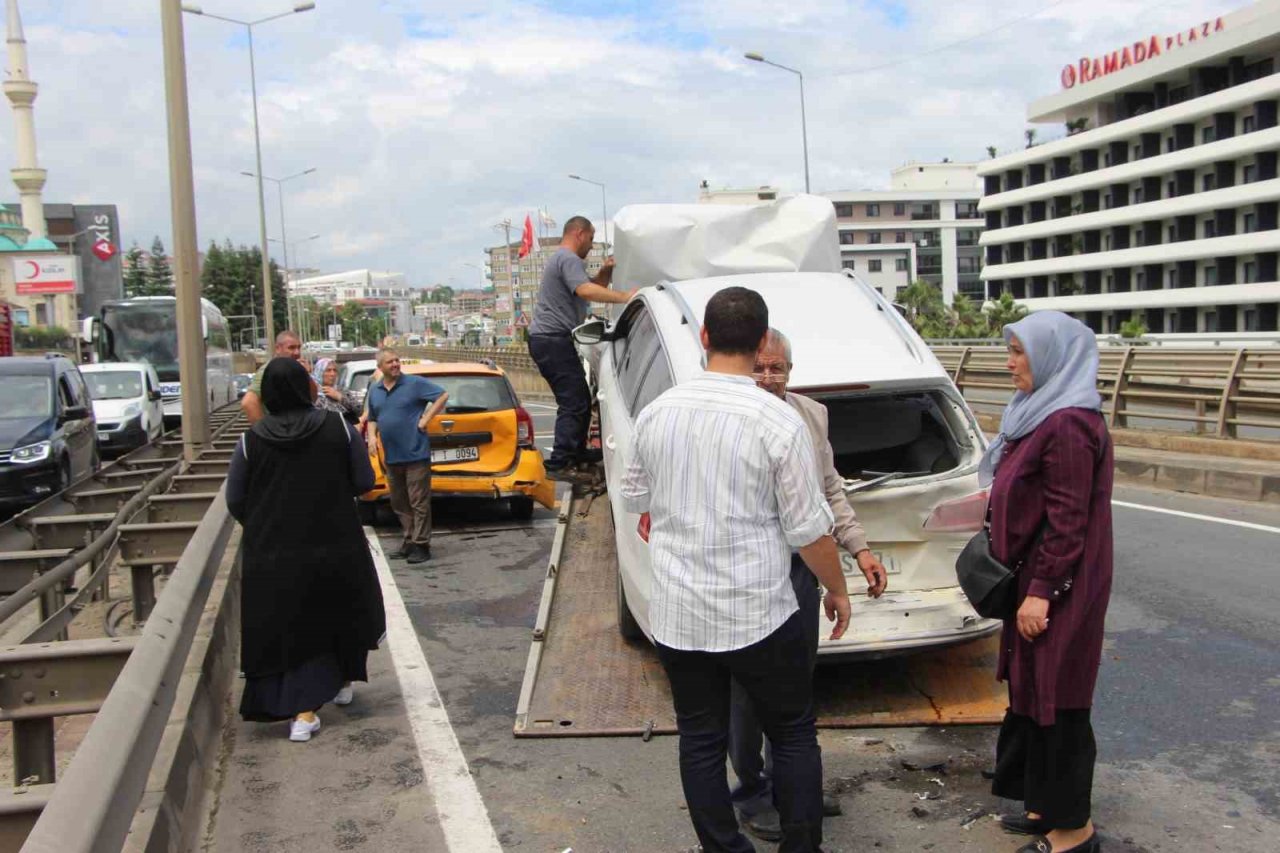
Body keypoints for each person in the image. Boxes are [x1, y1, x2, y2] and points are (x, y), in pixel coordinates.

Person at [621, 286, 852, 853]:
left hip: (680, 616)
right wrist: (837, 587)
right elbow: (808, 530)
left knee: (701, 738)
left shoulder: (656, 414)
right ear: (758, 345)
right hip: (759, 613)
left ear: (703, 338)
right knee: (794, 732)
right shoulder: (778, 421)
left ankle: (725, 848)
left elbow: (634, 498)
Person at [728, 328, 889, 841]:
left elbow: (829, 491)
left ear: (791, 372)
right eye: (760, 367)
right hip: (745, 572)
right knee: (748, 692)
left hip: (801, 568)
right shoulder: (727, 415)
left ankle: (791, 784)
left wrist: (860, 549)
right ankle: (751, 791)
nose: (769, 378)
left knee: (796, 684)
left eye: (778, 368)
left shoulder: (810, 415)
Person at [981, 312, 1113, 853]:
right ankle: (1043, 804)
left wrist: (1042, 592)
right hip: (1032, 576)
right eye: (1009, 350)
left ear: (1053, 357)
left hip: (1060, 584)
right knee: (1032, 690)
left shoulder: (1069, 425)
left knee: (1059, 696)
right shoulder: (1036, 414)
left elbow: (1068, 519)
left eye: (1020, 352)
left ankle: (1073, 831)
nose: (1010, 363)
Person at [226, 357, 386, 742]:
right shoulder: (338, 427)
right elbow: (364, 481)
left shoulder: (252, 439)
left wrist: (267, 527)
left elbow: (236, 499)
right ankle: (332, 688)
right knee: (340, 610)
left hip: (275, 552)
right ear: (306, 388)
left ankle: (302, 710)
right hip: (336, 543)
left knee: (293, 625)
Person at [527, 216, 636, 477]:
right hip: (551, 339)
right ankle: (561, 462)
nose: (592, 242)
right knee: (574, 401)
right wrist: (624, 297)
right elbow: (586, 291)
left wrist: (606, 273)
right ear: (579, 233)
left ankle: (575, 453)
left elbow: (591, 286)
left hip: (550, 339)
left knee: (579, 399)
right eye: (591, 236)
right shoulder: (568, 258)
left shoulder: (565, 260)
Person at [365, 348, 448, 565]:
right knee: (399, 502)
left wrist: (425, 419)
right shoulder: (375, 390)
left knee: (418, 501)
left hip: (415, 453)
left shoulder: (414, 383)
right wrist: (372, 437)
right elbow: (373, 417)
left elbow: (442, 395)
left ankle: (421, 544)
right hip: (392, 456)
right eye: (390, 362)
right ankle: (409, 540)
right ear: (380, 367)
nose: (395, 364)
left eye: (396, 360)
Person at [242, 330, 312, 424]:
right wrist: (265, 432)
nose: (297, 352)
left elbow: (312, 398)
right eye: (291, 348)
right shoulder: (268, 371)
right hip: (280, 430)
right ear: (278, 349)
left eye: (299, 347)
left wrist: (306, 375)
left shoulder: (298, 369)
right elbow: (248, 402)